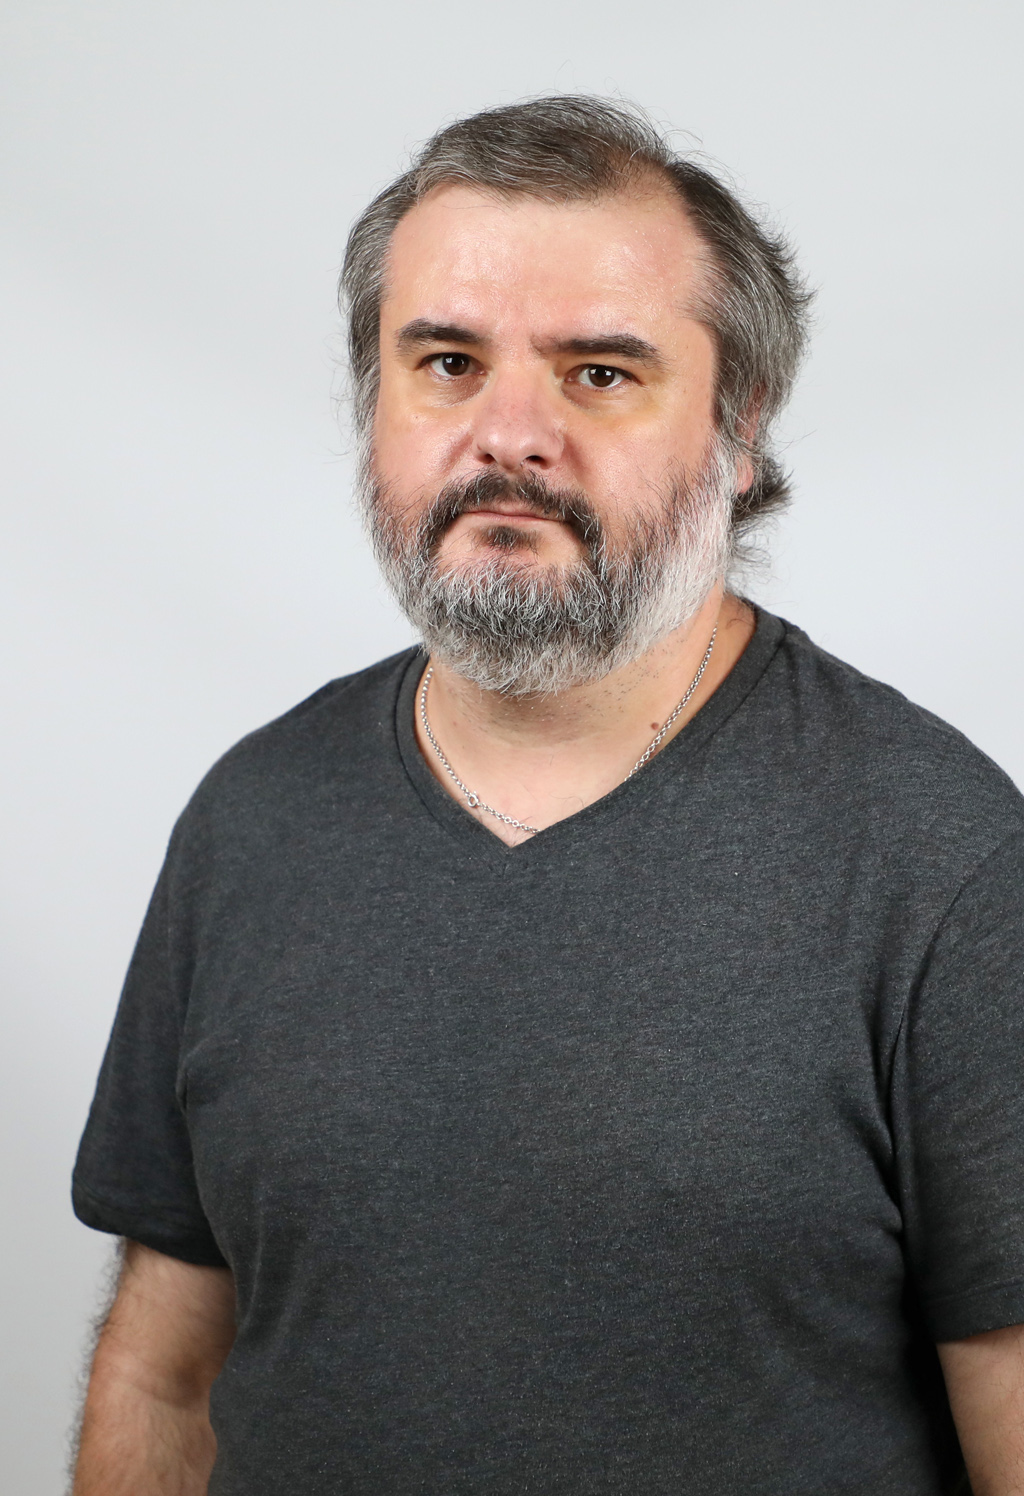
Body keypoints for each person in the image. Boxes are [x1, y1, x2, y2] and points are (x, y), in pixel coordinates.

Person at [70, 96, 1024, 1495]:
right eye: (449, 363)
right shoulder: (251, 820)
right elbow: (163, 1376)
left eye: (599, 373)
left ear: (739, 429)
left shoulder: (942, 860)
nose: (509, 434)